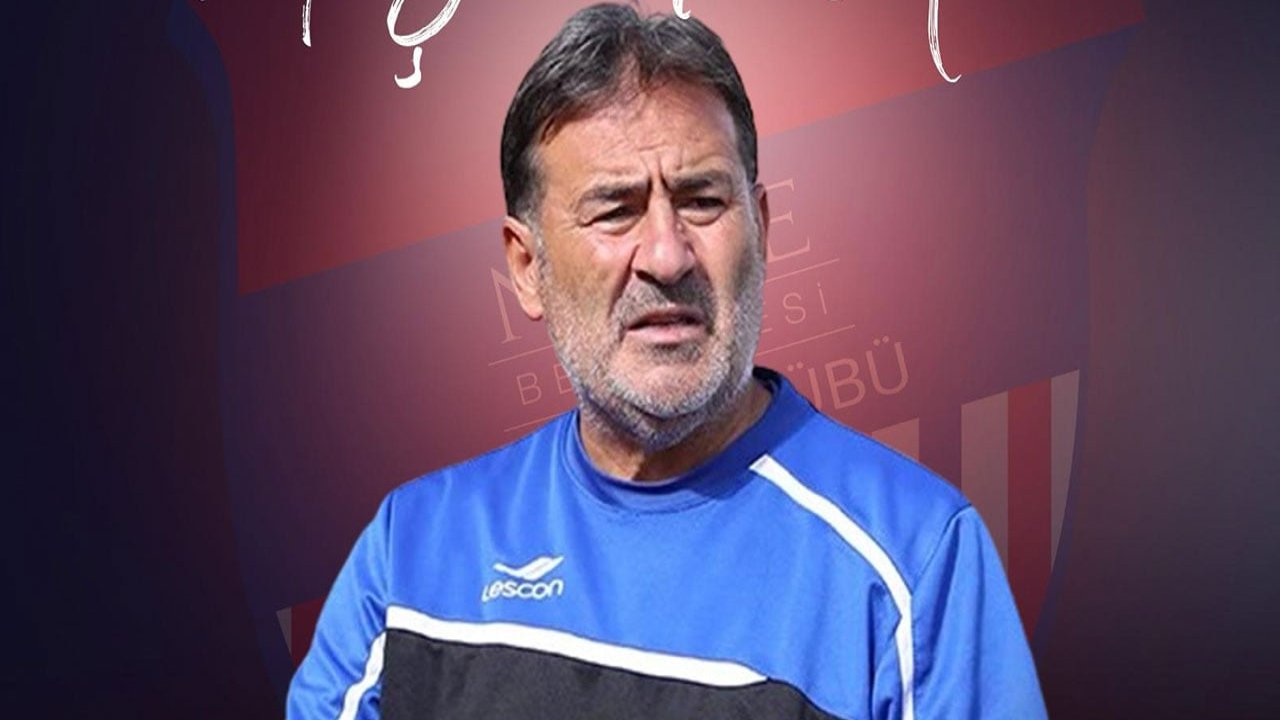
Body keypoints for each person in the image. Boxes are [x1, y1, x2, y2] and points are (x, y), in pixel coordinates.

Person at [287, 4, 1047, 718]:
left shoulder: (916, 562)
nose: (666, 254)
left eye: (702, 200)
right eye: (615, 209)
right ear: (527, 267)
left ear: (763, 230)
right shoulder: (414, 552)